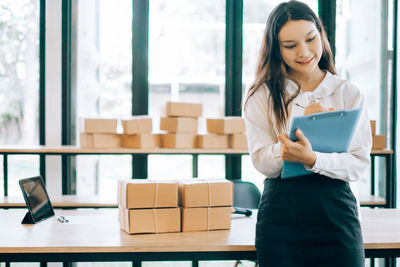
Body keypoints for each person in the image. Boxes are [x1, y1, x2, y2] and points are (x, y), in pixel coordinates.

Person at [242, 1, 372, 267]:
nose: (304, 52)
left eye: (311, 39)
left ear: (321, 35)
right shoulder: (261, 95)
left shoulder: (348, 92)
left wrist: (314, 160)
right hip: (281, 219)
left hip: (336, 215)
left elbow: (358, 165)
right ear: (276, 48)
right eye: (290, 45)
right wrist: (287, 146)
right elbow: (262, 163)